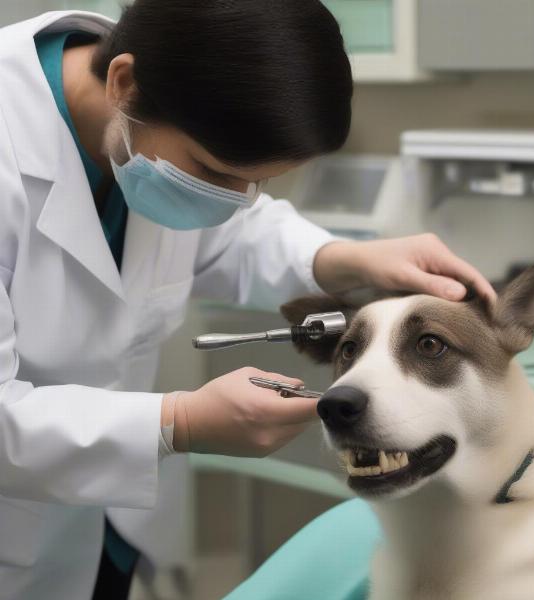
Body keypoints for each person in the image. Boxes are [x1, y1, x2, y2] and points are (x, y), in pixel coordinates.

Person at [0, 2, 495, 599]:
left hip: (104, 524)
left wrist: (343, 259)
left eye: (259, 182)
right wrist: (178, 422)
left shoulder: (154, 125)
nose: (239, 200)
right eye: (214, 172)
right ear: (123, 82)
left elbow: (225, 232)